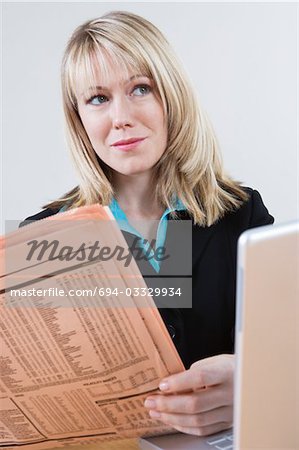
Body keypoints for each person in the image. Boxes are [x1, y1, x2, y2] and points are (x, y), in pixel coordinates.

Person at [21, 11, 274, 437]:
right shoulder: (41, 237)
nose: (121, 117)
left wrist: (254, 380)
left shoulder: (240, 213)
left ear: (171, 97)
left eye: (140, 89)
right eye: (98, 98)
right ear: (79, 119)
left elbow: (287, 345)